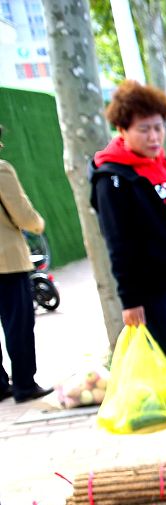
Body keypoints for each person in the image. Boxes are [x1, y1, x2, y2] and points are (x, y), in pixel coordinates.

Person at [90, 80, 166, 457]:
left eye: (158, 127)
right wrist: (130, 300)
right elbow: (118, 244)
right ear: (122, 129)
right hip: (151, 285)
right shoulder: (114, 178)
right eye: (144, 129)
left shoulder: (161, 166)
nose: (154, 137)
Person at [0, 126, 50, 403]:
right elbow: (22, 213)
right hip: (6, 261)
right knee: (17, 324)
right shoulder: (1, 169)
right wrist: (37, 224)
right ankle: (24, 385)